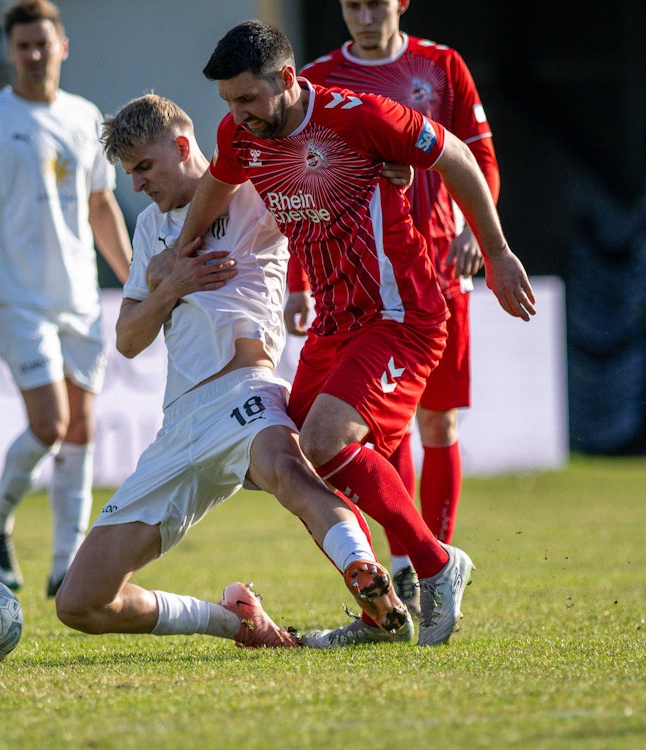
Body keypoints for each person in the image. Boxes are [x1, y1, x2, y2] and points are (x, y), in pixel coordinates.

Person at [172, 20, 536, 646]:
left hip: (402, 314)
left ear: (288, 80)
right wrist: (181, 251)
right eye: (228, 101)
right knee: (291, 457)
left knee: (325, 440)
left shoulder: (359, 115)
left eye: (249, 98)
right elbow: (219, 181)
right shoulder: (240, 134)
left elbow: (454, 153)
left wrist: (496, 249)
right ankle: (382, 609)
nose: (238, 115)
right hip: (334, 324)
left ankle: (436, 562)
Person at [55, 93, 414, 649]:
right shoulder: (150, 227)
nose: (137, 184)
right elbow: (127, 339)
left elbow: (328, 174)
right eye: (129, 173)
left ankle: (370, 581)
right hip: (178, 428)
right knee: (80, 602)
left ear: (181, 145)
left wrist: (388, 168)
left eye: (144, 167)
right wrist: (169, 286)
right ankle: (237, 623)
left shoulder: (256, 190)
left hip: (248, 391)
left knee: (290, 473)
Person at [291, 0, 501, 614]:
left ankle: (437, 557)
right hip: (363, 284)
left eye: (374, 1)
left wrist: (473, 227)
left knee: (438, 423)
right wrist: (301, 281)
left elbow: (478, 155)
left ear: (400, 2)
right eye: (351, 3)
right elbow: (301, 185)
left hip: (440, 269)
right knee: (369, 435)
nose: (362, 14)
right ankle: (410, 563)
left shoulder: (442, 65)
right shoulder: (318, 79)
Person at [0, 0, 132, 597]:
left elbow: (101, 205)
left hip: (78, 298)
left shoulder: (85, 117)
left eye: (43, 44)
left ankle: (63, 562)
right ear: (10, 51)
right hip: (16, 298)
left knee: (81, 430)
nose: (33, 55)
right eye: (22, 46)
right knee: (49, 423)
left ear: (63, 46)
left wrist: (135, 281)